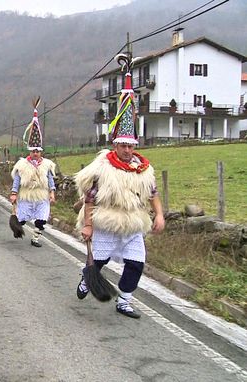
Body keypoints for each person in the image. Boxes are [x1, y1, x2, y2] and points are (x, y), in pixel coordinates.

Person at [75, 54, 165, 319]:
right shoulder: (104, 168)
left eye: (131, 145)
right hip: (107, 221)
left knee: (136, 263)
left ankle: (125, 300)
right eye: (123, 145)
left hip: (133, 223)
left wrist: (158, 214)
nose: (127, 150)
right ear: (115, 144)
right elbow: (90, 198)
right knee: (99, 261)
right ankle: (87, 279)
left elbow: (153, 193)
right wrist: (88, 224)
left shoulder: (143, 168)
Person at [9, 98, 56, 247]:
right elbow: (17, 180)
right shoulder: (22, 165)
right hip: (27, 194)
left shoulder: (47, 164)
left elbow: (50, 179)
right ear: (30, 151)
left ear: (41, 151)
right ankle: (17, 227)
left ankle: (35, 238)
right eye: (33, 151)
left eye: (38, 151)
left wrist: (52, 192)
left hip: (41, 195)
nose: (36, 153)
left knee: (42, 218)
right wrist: (14, 193)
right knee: (22, 218)